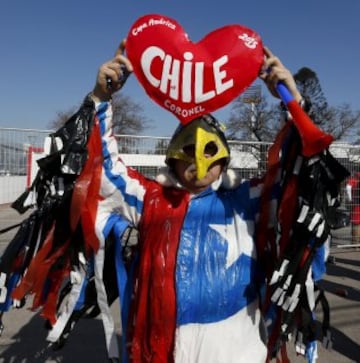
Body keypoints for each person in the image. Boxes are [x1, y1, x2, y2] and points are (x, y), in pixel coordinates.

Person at [0, 40, 346, 363]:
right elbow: (102, 169)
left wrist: (292, 102)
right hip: (160, 347)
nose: (197, 159)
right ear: (171, 159)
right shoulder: (149, 199)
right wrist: (102, 97)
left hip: (237, 347)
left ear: (224, 159)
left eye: (210, 149)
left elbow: (300, 177)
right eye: (187, 149)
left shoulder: (249, 201)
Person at [346, 171, 360, 244]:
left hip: (356, 203)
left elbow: (348, 187)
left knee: (356, 222)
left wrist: (350, 199)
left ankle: (355, 242)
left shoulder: (355, 177)